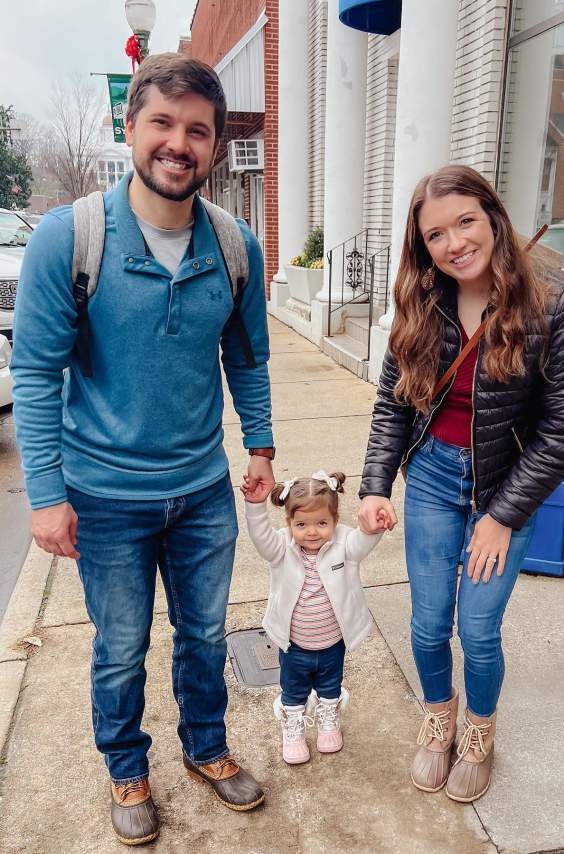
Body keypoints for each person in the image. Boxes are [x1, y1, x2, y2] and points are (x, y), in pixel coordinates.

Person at [11, 53, 276, 845]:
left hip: (201, 492)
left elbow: (247, 358)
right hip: (104, 496)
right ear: (130, 128)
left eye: (198, 130)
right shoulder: (72, 238)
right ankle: (126, 766)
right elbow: (33, 372)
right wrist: (48, 494)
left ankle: (207, 748)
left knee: (202, 634)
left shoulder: (236, 247)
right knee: (120, 646)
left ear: (215, 146)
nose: (178, 142)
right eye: (162, 122)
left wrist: (259, 446)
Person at [357, 165, 564, 803]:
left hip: (504, 486)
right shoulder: (422, 299)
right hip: (434, 477)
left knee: (480, 628)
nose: (454, 243)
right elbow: (393, 403)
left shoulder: (555, 298)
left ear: (493, 216)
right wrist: (376, 485)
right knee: (431, 620)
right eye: (435, 234)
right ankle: (439, 718)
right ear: (422, 245)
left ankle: (478, 734)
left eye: (465, 221)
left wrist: (502, 515)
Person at [242, 470, 385, 764]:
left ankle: (328, 717)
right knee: (293, 692)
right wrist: (255, 506)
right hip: (294, 646)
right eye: (301, 524)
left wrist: (375, 526)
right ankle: (293, 727)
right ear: (289, 523)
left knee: (330, 687)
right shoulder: (281, 548)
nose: (312, 531)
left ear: (335, 520)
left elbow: (365, 540)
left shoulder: (345, 545)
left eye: (322, 523)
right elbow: (260, 535)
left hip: (333, 643)